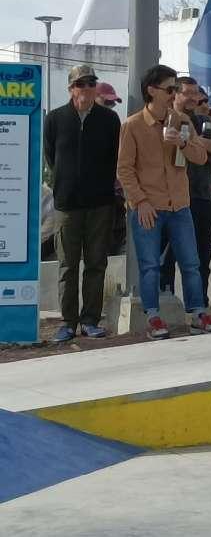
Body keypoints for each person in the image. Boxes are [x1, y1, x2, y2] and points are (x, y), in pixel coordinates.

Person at [116, 64, 211, 338]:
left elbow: (200, 157)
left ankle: (198, 313)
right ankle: (153, 317)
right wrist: (140, 202)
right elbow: (124, 170)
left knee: (191, 263)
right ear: (152, 91)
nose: (174, 94)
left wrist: (183, 144)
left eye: (175, 88)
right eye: (169, 89)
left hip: (179, 205)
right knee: (150, 265)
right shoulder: (133, 125)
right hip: (148, 206)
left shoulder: (182, 121)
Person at [44, 65, 121, 342]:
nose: (86, 88)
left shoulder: (109, 119)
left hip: (100, 203)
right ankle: (68, 322)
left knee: (96, 263)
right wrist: (66, 184)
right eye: (81, 84)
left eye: (91, 83)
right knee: (67, 265)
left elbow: (115, 157)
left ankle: (90, 320)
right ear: (71, 88)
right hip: (67, 205)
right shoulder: (55, 119)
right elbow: (51, 157)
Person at [161, 77, 211, 309]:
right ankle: (166, 305)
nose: (193, 98)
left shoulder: (205, 122)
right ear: (175, 94)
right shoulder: (165, 120)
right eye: (187, 93)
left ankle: (199, 306)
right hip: (171, 199)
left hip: (202, 197)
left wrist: (192, 141)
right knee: (167, 257)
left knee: (202, 256)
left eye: (196, 93)